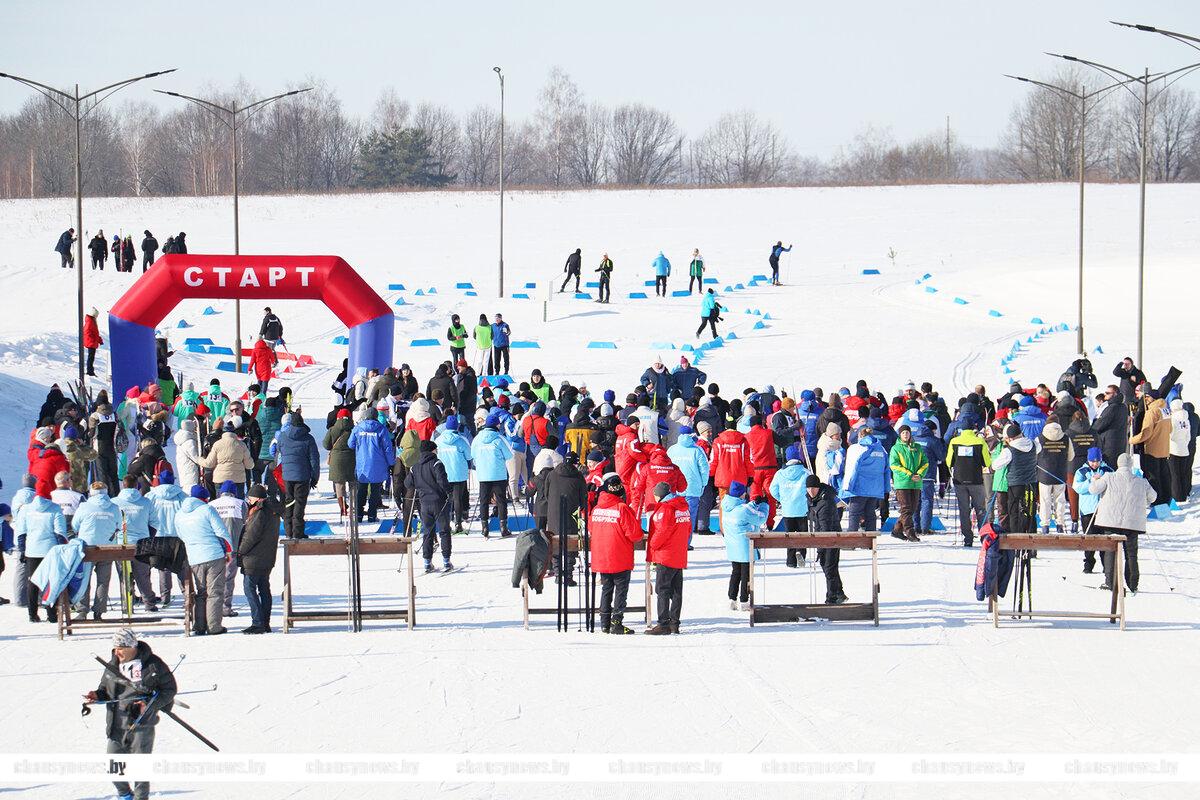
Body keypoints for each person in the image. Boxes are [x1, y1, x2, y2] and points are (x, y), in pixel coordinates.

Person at [84, 628, 178, 800]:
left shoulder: (152, 664)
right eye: (115, 647)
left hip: (142, 724)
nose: (117, 651)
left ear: (131, 647)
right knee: (113, 765)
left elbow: (170, 689)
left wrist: (150, 704)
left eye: (121, 647)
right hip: (117, 723)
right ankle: (125, 795)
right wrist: (97, 695)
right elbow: (105, 689)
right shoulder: (112, 665)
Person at [1090, 453, 1156, 593]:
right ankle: (1133, 583)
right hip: (1132, 524)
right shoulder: (1141, 482)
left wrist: (1094, 479)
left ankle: (1110, 582)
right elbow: (1153, 497)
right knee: (1131, 554)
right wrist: (1146, 501)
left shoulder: (1109, 477)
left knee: (1110, 552)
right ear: (1131, 465)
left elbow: (1093, 490)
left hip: (1110, 521)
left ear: (1118, 464)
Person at [589, 473, 644, 634]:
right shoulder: (622, 508)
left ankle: (604, 623)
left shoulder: (597, 509)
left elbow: (591, 528)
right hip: (620, 557)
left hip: (602, 557)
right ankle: (616, 623)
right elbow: (635, 535)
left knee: (606, 589)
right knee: (621, 590)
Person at [176, 485, 231, 635]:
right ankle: (214, 627)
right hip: (214, 555)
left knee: (201, 592)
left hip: (194, 557)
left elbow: (180, 535)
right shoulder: (207, 510)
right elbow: (221, 531)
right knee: (215, 592)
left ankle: (199, 626)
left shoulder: (180, 514)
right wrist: (228, 551)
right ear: (205, 499)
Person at [645, 481, 689, 634]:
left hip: (666, 555)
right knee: (676, 591)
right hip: (678, 554)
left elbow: (662, 531)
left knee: (662, 590)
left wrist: (652, 545)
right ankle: (674, 623)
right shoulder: (682, 507)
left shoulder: (666, 508)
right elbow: (687, 528)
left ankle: (663, 624)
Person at [72, 482, 121, 621]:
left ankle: (82, 609)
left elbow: (75, 525)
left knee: (84, 579)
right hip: (107, 548)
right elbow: (119, 524)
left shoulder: (84, 507)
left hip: (88, 548)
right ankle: (99, 611)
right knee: (103, 581)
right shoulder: (114, 507)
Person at [238, 484, 280, 633]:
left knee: (249, 588)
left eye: (250, 497)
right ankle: (265, 622)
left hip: (254, 558)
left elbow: (251, 536)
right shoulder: (273, 510)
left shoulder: (260, 512)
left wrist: (240, 551)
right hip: (267, 557)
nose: (249, 500)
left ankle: (258, 622)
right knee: (264, 589)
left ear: (256, 498)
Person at [407, 441, 454, 573]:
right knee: (444, 530)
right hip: (439, 501)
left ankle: (427, 562)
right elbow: (442, 481)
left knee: (428, 532)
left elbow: (408, 483)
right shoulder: (436, 463)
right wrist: (450, 492)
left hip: (424, 503)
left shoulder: (415, 466)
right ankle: (446, 561)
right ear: (432, 450)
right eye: (436, 449)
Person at [113, 475, 158, 611]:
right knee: (143, 575)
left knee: (124, 575)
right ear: (137, 486)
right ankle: (149, 603)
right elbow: (155, 523)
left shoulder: (114, 502)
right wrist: (148, 537)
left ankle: (127, 602)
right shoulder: (146, 502)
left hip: (121, 543)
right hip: (141, 543)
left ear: (123, 485)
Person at [722, 481, 768, 611]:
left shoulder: (726, 506)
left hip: (732, 547)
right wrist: (764, 505)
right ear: (742, 495)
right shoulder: (743, 510)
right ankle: (744, 600)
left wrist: (754, 503)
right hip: (745, 547)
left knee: (735, 572)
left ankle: (732, 598)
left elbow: (743, 509)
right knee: (746, 574)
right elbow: (761, 518)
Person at [545, 451, 588, 584]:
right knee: (570, 543)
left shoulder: (551, 474)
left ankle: (558, 574)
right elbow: (583, 499)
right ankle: (568, 575)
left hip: (553, 513)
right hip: (571, 513)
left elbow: (546, 494)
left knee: (556, 542)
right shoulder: (578, 476)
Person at [276, 412, 320, 539]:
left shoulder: (283, 436)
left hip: (287, 476)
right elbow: (314, 459)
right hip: (302, 476)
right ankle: (298, 532)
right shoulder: (308, 438)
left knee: (289, 502)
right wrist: (315, 477)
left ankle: (289, 531)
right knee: (300, 504)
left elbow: (279, 451)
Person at [347, 408, 395, 523]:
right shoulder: (381, 429)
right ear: (375, 417)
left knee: (362, 490)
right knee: (375, 491)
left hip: (362, 464)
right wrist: (391, 463)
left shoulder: (358, 428)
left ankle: (358, 515)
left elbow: (350, 444)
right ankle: (372, 516)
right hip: (378, 465)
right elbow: (387, 448)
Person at [946, 421, 990, 547]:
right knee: (981, 509)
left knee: (964, 510)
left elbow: (949, 462)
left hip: (959, 480)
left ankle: (968, 538)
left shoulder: (954, 441)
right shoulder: (980, 442)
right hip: (976, 480)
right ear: (973, 429)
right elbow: (987, 462)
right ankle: (984, 537)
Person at [472, 412, 515, 537]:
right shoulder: (499, 438)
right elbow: (509, 454)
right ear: (497, 425)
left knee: (484, 501)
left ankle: (484, 527)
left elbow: (472, 454)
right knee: (501, 501)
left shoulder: (477, 438)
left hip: (483, 474)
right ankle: (503, 527)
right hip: (498, 474)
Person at [806, 474, 847, 603]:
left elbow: (826, 527)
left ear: (818, 488)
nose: (811, 491)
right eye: (808, 488)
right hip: (822, 537)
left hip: (831, 538)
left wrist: (821, 548)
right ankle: (839, 593)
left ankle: (832, 597)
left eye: (813, 488)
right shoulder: (813, 500)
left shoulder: (825, 502)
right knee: (828, 566)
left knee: (829, 567)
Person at [769, 445, 811, 568]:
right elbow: (810, 488)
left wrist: (782, 499)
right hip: (802, 509)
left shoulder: (780, 473)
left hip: (787, 510)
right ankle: (801, 553)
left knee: (789, 535)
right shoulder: (805, 472)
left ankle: (791, 560)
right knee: (803, 535)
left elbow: (772, 489)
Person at [840, 429, 890, 532]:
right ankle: (871, 541)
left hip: (859, 488)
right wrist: (886, 487)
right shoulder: (881, 449)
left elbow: (851, 469)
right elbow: (886, 469)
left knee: (854, 514)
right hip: (875, 488)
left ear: (860, 436)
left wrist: (847, 487)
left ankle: (851, 541)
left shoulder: (856, 448)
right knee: (870, 514)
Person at [209, 481, 246, 617]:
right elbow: (246, 522)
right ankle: (225, 607)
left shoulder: (212, 504)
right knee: (228, 578)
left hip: (214, 548)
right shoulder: (240, 503)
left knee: (213, 578)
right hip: (232, 547)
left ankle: (211, 608)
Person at [1073, 448, 1113, 573]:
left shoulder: (1108, 471)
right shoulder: (1082, 471)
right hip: (1087, 510)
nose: (1095, 464)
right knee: (1089, 539)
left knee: (1103, 539)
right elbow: (1077, 487)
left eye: (1097, 461)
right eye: (1092, 461)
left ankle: (1106, 566)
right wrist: (1091, 481)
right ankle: (1088, 564)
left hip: (1103, 510)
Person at [993, 423, 1038, 534]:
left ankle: (1016, 540)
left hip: (1015, 485)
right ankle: (1031, 541)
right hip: (1031, 484)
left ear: (1010, 438)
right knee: (1030, 512)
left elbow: (995, 465)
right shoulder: (1034, 445)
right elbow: (1039, 449)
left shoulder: (1009, 450)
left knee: (1014, 512)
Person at [435, 415, 472, 535]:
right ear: (456, 426)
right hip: (459, 474)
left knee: (445, 499)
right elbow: (469, 456)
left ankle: (446, 523)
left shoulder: (438, 440)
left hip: (443, 474)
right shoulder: (461, 440)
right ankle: (458, 523)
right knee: (457, 499)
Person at [1036, 419, 1073, 533]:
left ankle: (1045, 525)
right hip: (1060, 473)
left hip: (1044, 474)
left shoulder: (1040, 438)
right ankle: (1060, 523)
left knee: (1045, 500)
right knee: (1060, 500)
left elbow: (1034, 455)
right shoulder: (1066, 438)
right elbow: (1071, 456)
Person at [1169, 398, 1192, 503]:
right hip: (1184, 449)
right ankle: (1184, 494)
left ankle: (1177, 496)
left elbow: (1171, 435)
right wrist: (1184, 444)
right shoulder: (1186, 419)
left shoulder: (1173, 419)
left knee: (1174, 474)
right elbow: (1188, 436)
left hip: (1174, 449)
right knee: (1182, 473)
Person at [83, 307, 103, 377]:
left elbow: (95, 333)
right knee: (91, 358)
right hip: (91, 343)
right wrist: (94, 340)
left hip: (92, 342)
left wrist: (99, 340)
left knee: (91, 357)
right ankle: (90, 372)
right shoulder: (90, 322)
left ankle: (90, 371)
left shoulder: (91, 321)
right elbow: (88, 332)